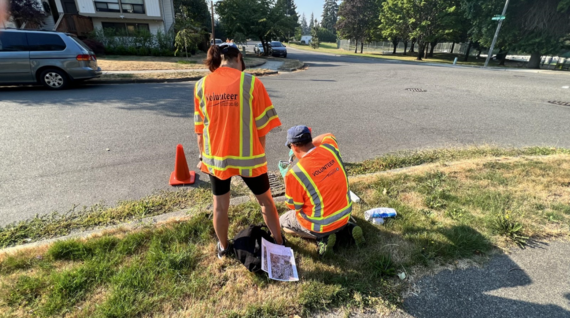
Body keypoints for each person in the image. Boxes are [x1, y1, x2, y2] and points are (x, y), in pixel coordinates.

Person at [194, 43, 283, 259]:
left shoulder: (201, 86)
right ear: (239, 58)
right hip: (250, 159)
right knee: (266, 202)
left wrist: (203, 157)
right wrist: (259, 155)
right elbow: (263, 128)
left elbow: (200, 130)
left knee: (220, 206)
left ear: (219, 59)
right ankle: (279, 242)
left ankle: (224, 248)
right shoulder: (252, 83)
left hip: (216, 160)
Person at [281, 126, 365, 256]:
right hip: (345, 214)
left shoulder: (294, 174)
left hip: (319, 225)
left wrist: (285, 179)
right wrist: (308, 143)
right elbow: (328, 135)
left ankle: (322, 237)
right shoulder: (330, 148)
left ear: (294, 147)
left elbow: (294, 205)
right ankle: (346, 228)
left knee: (284, 223)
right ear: (310, 140)